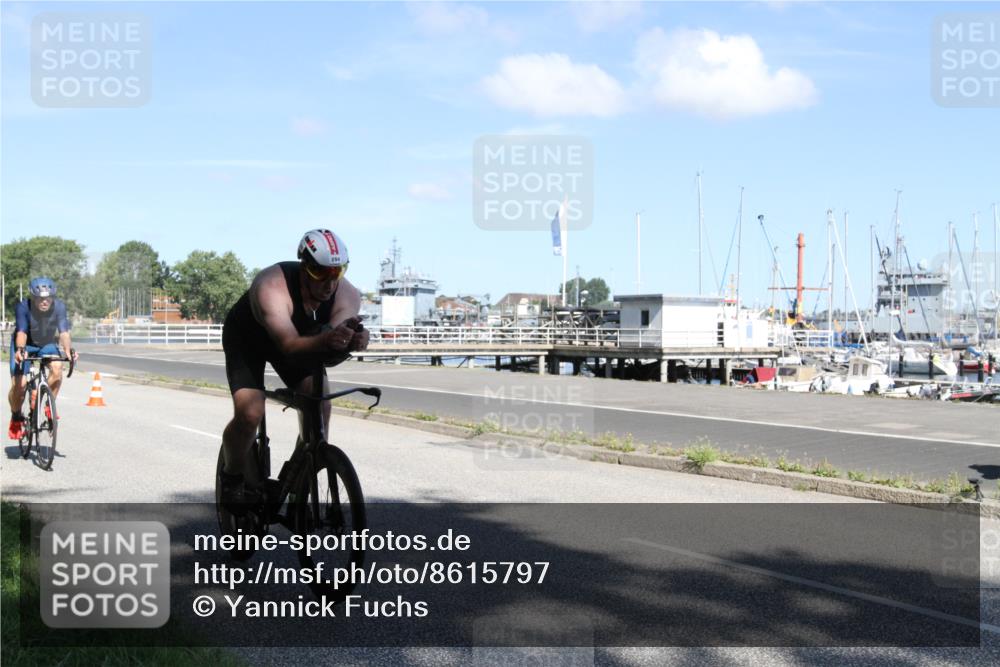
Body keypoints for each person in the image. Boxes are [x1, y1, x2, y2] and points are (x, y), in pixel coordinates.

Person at [219, 229, 369, 512]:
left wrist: (352, 341)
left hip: (301, 340)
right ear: (304, 266)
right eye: (318, 272)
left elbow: (333, 341)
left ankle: (293, 478)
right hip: (248, 339)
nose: (328, 282)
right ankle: (232, 477)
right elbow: (288, 345)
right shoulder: (271, 286)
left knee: (320, 412)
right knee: (250, 413)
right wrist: (327, 340)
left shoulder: (346, 294)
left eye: (336, 272)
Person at [8, 277, 78, 439]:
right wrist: (20, 349)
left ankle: (48, 404)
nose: (44, 301)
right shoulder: (23, 306)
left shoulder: (59, 307)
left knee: (57, 368)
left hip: (46, 343)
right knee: (20, 385)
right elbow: (21, 332)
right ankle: (16, 415)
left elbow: (64, 332)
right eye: (40, 298)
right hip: (25, 343)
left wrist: (68, 350)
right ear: (33, 297)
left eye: (48, 298)